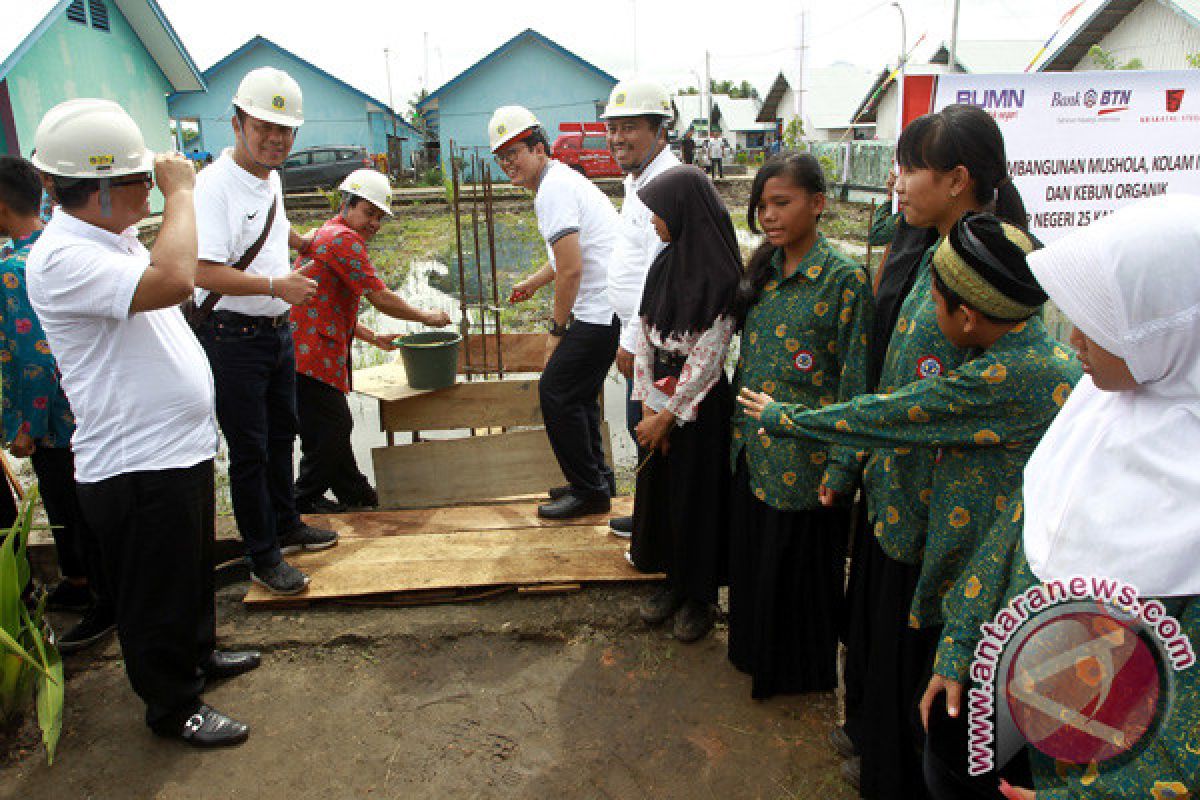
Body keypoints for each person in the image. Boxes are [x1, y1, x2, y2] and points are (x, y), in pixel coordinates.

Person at [920, 195, 1200, 800]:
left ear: (1171, 334)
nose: (1073, 341)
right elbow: (1020, 528)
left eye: (1098, 328)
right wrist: (960, 644)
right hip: (1020, 689)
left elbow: (1187, 734)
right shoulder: (1097, 401)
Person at [811, 104, 1030, 799]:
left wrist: (827, 432)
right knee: (879, 636)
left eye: (910, 169)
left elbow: (943, 402)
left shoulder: (982, 265)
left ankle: (900, 771)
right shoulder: (926, 246)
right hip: (893, 485)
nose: (896, 183)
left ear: (959, 179)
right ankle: (877, 749)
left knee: (918, 654)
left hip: (940, 508)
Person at [28, 98, 256, 746]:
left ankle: (200, 656)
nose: (151, 189)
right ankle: (172, 704)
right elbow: (177, 278)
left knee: (188, 571)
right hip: (134, 463)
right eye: (138, 181)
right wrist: (183, 190)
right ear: (99, 191)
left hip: (170, 451)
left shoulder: (110, 237)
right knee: (154, 592)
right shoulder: (63, 258)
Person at [726, 154, 872, 698]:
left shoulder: (844, 281)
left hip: (807, 459)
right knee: (756, 564)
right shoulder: (762, 272)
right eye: (762, 205)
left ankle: (797, 677)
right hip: (753, 446)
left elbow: (854, 381)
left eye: (781, 203)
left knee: (800, 573)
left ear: (818, 202)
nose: (769, 215)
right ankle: (751, 653)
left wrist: (842, 466)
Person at [193, 67, 337, 596]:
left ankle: (286, 524)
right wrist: (277, 284)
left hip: (275, 332)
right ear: (237, 123)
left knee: (283, 434)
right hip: (232, 336)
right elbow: (201, 272)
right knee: (249, 448)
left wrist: (301, 242)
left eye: (286, 130)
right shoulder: (213, 187)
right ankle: (261, 555)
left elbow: (264, 231)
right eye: (264, 127)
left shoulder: (270, 178)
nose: (276, 139)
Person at [0, 155, 114, 653]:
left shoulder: (13, 269)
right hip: (91, 408)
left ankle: (102, 604)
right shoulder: (62, 246)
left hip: (55, 420)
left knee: (72, 506)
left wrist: (25, 426)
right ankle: (79, 582)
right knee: (80, 505)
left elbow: (34, 358)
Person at [292, 169, 451, 514]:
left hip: (310, 348)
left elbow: (331, 306)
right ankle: (302, 499)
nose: (374, 223)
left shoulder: (326, 233)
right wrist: (426, 316)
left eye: (379, 217)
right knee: (333, 425)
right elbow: (379, 297)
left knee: (326, 426)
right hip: (310, 352)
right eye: (368, 212)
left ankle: (354, 493)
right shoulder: (343, 239)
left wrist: (373, 336)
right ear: (347, 205)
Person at [629, 165, 739, 643]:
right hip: (660, 398)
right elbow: (644, 330)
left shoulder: (723, 275)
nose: (655, 222)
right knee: (663, 495)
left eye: (659, 213)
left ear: (683, 211)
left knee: (698, 500)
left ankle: (701, 598)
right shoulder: (664, 262)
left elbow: (709, 356)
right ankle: (672, 582)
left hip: (700, 407)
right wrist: (650, 408)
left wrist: (670, 418)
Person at [495, 106, 620, 519]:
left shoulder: (553, 191)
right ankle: (596, 480)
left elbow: (572, 268)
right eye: (502, 157)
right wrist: (533, 282)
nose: (508, 163)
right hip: (606, 306)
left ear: (539, 148)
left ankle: (589, 490)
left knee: (556, 391)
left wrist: (556, 330)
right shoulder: (560, 182)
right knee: (578, 395)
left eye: (515, 152)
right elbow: (565, 258)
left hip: (599, 309)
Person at [602, 78, 680, 538]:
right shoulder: (639, 180)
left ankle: (662, 525)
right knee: (642, 426)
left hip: (654, 336)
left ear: (660, 131)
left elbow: (658, 270)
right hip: (637, 330)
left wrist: (631, 340)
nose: (617, 139)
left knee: (652, 428)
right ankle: (651, 515)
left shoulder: (665, 184)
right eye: (612, 128)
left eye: (629, 127)